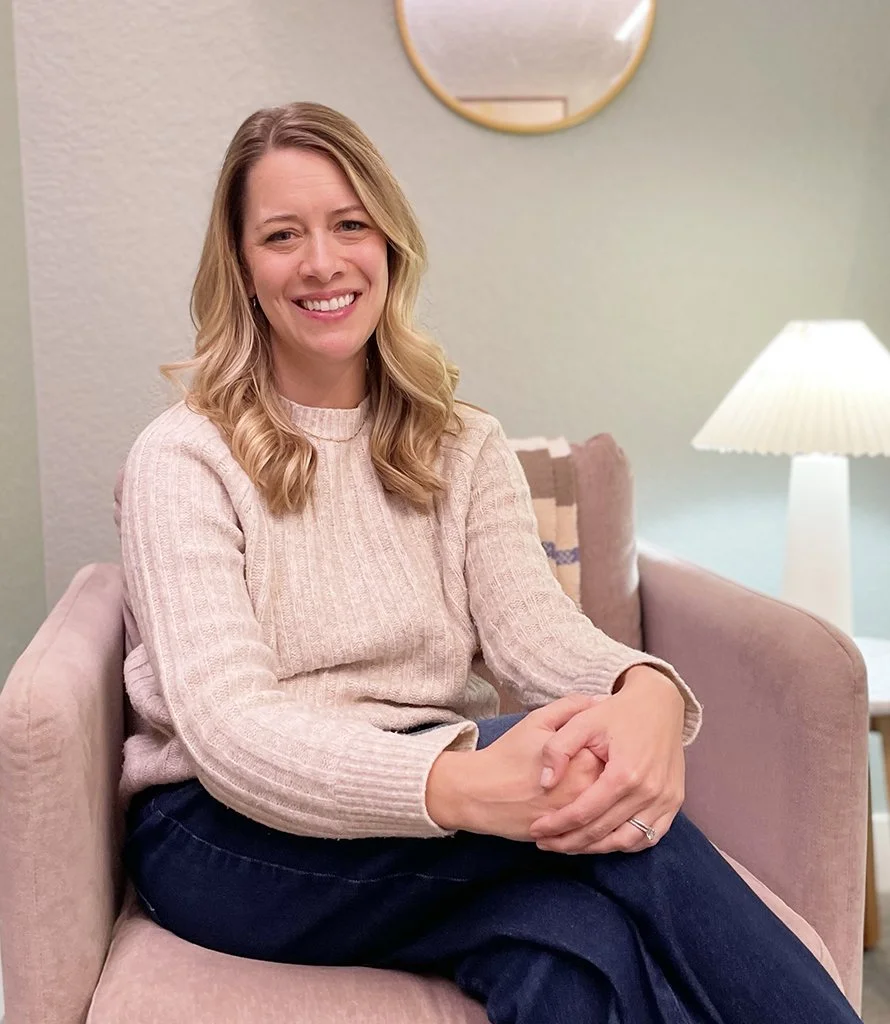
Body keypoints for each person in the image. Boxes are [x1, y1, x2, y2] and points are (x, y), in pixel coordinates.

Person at [118, 101, 860, 1023]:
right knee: (605, 807)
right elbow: (230, 728)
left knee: (568, 941)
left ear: (389, 244)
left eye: (350, 224)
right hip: (226, 837)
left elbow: (531, 632)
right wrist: (459, 785)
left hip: (418, 814)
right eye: (281, 235)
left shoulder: (461, 445)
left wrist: (646, 691)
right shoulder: (183, 455)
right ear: (241, 265)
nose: (321, 261)